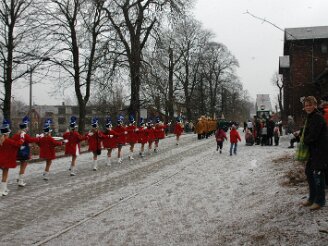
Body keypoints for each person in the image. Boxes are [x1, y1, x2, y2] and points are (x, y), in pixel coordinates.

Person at [301, 96, 328, 210]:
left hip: (320, 151)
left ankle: (320, 201)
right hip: (314, 151)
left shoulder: (317, 117)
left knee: (318, 175)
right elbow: (308, 132)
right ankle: (312, 197)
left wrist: (303, 140)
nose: (308, 107)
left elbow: (313, 135)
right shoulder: (310, 117)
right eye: (306, 105)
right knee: (309, 173)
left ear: (315, 105)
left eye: (310, 105)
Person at [12, 116, 39, 187]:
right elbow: (31, 140)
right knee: (23, 166)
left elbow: (13, 141)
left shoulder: (16, 135)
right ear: (24, 128)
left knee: (22, 166)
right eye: (27, 127)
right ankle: (20, 181)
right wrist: (38, 138)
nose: (28, 128)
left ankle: (19, 178)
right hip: (24, 152)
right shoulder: (24, 134)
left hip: (18, 152)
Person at [0, 120, 24, 196]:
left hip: (1, 160)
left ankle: (5, 188)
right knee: (5, 174)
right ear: (7, 134)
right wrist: (22, 138)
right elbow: (17, 144)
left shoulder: (2, 141)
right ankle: (2, 190)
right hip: (5, 160)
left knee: (4, 174)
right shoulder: (7, 140)